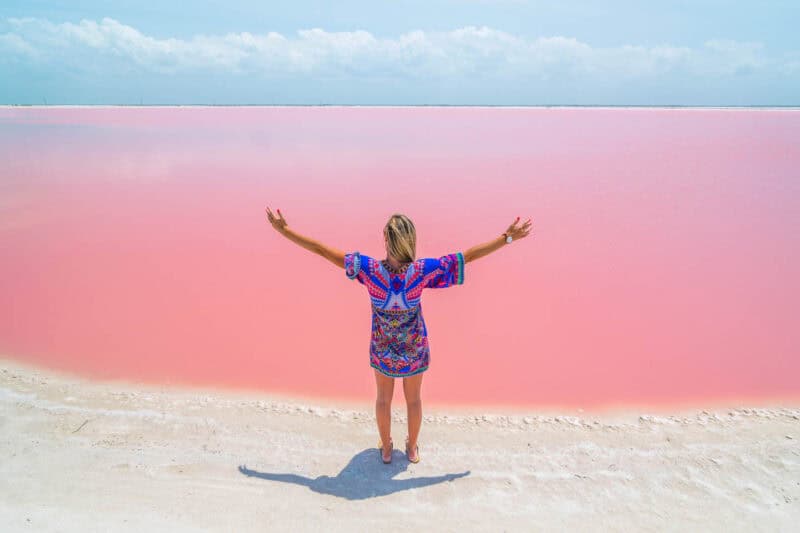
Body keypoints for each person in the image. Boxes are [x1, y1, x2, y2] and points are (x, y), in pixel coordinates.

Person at [264, 208, 533, 464]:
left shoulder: (368, 269)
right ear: (411, 240)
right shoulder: (421, 271)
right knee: (414, 399)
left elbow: (322, 250)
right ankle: (412, 448)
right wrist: (506, 238)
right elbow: (468, 256)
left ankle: (386, 450)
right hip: (414, 348)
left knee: (383, 399)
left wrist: (285, 231)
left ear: (386, 240)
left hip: (382, 348)